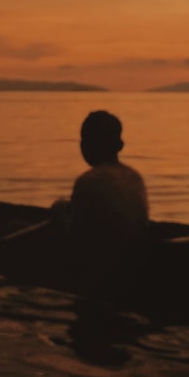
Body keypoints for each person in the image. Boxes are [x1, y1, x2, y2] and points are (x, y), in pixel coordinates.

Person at [54, 110, 149, 287]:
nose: (81, 145)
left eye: (85, 140)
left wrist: (58, 212)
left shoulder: (88, 181)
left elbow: (74, 241)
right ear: (119, 145)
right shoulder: (135, 177)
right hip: (134, 265)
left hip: (100, 272)